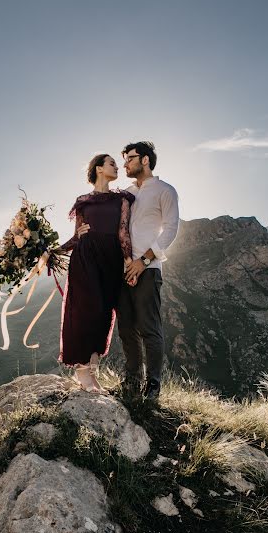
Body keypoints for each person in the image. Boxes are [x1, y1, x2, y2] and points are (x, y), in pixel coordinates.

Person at [78, 141, 179, 400]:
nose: (125, 164)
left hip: (147, 268)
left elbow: (170, 230)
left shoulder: (165, 191)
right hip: (121, 269)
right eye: (122, 160)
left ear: (145, 160)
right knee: (126, 328)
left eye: (130, 159)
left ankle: (153, 386)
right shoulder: (126, 194)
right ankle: (132, 381)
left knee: (148, 327)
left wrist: (143, 261)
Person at [59, 154, 135, 392]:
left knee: (103, 312)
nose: (117, 167)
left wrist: (129, 262)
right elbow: (77, 235)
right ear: (99, 169)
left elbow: (123, 234)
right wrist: (53, 250)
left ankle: (92, 372)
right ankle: (82, 372)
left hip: (110, 260)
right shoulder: (83, 201)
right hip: (85, 259)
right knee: (85, 311)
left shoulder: (123, 199)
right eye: (112, 163)